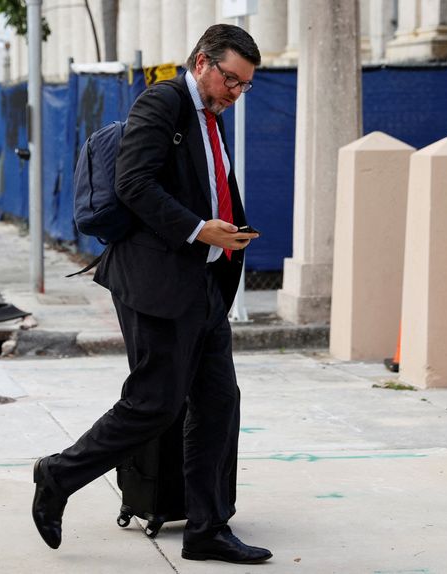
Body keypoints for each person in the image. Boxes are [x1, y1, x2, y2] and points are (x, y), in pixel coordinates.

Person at [31, 24, 272, 565]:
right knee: (153, 404)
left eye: (244, 86)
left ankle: (207, 528)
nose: (236, 93)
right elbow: (132, 185)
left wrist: (227, 235)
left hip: (206, 283)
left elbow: (212, 187)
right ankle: (58, 474)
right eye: (231, 80)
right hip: (157, 283)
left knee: (218, 403)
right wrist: (197, 229)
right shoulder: (161, 103)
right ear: (202, 62)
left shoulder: (211, 118)